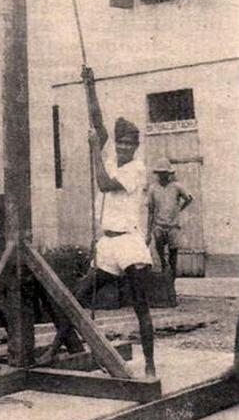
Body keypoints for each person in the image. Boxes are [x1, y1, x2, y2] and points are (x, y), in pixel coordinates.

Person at [39, 66, 156, 377]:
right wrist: (89, 86)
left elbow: (104, 184)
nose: (123, 148)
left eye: (129, 144)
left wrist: (93, 150)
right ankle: (53, 350)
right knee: (76, 296)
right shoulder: (110, 156)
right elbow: (98, 124)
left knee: (140, 305)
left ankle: (150, 365)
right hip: (107, 244)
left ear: (136, 147)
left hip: (130, 242)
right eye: (120, 143)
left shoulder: (136, 169)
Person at [146, 158, 192, 280]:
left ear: (169, 173)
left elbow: (188, 198)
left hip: (173, 226)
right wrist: (148, 232)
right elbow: (150, 210)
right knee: (159, 245)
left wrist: (179, 209)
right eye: (160, 173)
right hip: (159, 224)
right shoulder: (153, 188)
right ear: (157, 174)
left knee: (173, 254)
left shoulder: (177, 187)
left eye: (165, 173)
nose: (162, 176)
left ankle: (172, 280)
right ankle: (163, 265)